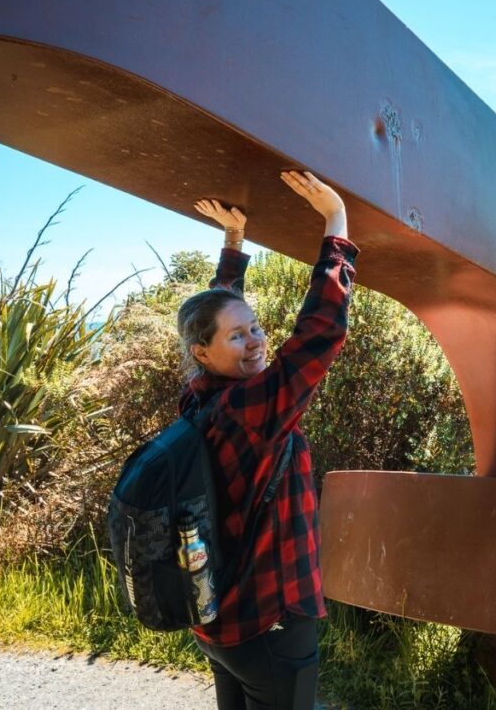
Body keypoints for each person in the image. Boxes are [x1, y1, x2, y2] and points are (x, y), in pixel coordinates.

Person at [175, 170, 357, 710]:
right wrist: (336, 224)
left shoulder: (200, 396)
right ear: (204, 352)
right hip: (272, 621)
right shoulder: (251, 410)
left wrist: (233, 247)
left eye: (255, 326)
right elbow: (318, 334)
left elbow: (215, 316)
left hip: (222, 622)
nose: (255, 340)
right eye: (240, 336)